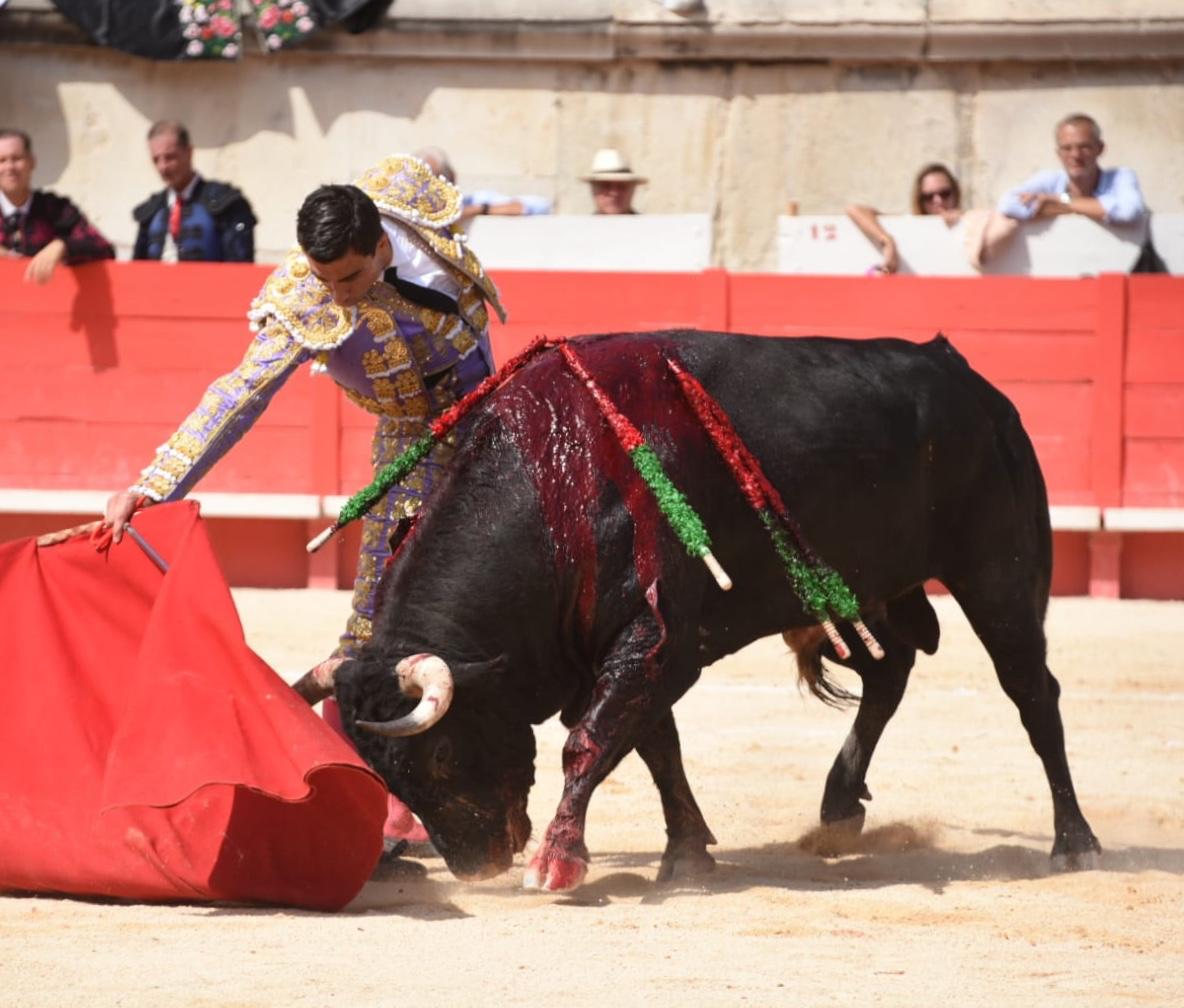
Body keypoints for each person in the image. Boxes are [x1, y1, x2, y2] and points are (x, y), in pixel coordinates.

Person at [104, 156, 506, 851]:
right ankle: (366, 804)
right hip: (414, 448)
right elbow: (239, 393)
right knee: (376, 627)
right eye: (324, 279)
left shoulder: (404, 197)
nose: (336, 295)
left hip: (499, 423)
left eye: (349, 278)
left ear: (381, 245)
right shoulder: (306, 300)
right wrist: (156, 484)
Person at [0, 128, 114, 284]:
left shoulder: (55, 209)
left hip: (46, 297)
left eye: (17, 158)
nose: (9, 167)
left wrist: (62, 246)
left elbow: (104, 248)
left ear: (32, 162)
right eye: (2, 160)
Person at [132, 121, 257, 262]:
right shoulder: (152, 210)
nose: (163, 167)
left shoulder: (226, 203)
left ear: (189, 152)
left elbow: (240, 267)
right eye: (156, 160)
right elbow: (137, 267)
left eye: (170, 157)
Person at [996, 113, 1147, 225]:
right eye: (1067, 148)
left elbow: (1128, 212)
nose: (1075, 155)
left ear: (1100, 148)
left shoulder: (1120, 176)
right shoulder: (1049, 179)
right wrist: (1088, 209)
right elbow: (1007, 204)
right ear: (1058, 153)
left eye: (1084, 147)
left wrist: (1058, 200)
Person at [845, 163, 962, 274]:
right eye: (928, 197)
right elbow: (854, 210)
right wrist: (887, 241)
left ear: (955, 193)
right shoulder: (908, 225)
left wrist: (962, 221)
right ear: (920, 200)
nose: (938, 201)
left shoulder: (969, 222)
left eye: (945, 194)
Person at [414, 145, 552, 222]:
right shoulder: (411, 214)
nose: (430, 191)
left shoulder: (474, 202)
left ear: (452, 177)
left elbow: (539, 206)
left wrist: (478, 210)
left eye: (435, 181)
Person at [581, 148, 647, 215]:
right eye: (606, 185)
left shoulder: (649, 222)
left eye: (621, 186)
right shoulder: (581, 222)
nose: (614, 193)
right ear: (593, 189)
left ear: (633, 189)